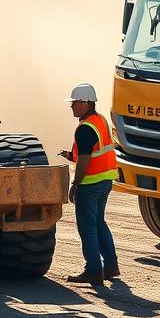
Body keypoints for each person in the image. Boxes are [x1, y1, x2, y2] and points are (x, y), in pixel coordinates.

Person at [60, 83, 119, 285]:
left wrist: (75, 184)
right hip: (105, 180)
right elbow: (93, 153)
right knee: (99, 223)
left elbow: (85, 159)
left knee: (87, 227)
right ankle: (111, 266)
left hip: (90, 184)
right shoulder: (99, 120)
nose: (72, 107)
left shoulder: (85, 128)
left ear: (85, 103)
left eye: (74, 103)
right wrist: (70, 155)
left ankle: (93, 270)